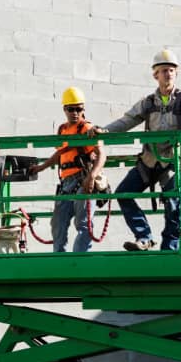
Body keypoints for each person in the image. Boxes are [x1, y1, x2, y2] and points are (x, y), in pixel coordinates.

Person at [90, 49, 181, 251]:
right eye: (163, 70)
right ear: (155, 75)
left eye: (171, 70)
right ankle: (144, 237)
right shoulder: (149, 102)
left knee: (173, 202)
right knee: (123, 193)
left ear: (176, 73)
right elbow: (128, 120)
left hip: (173, 161)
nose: (168, 74)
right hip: (149, 160)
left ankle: (170, 246)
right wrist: (105, 131)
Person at [29, 87, 106, 252]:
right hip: (65, 184)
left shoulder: (87, 128)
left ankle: (79, 260)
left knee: (83, 223)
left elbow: (102, 154)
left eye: (79, 109)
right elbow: (62, 152)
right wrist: (42, 167)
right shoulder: (63, 129)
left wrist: (91, 177)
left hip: (82, 179)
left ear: (83, 109)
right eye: (71, 109)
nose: (75, 113)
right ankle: (59, 259)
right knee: (58, 223)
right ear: (65, 109)